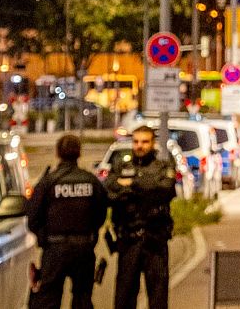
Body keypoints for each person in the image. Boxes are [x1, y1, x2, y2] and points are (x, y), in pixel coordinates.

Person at [27, 134, 109, 309]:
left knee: (48, 299)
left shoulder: (48, 182)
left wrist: (44, 239)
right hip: (83, 249)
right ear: (79, 153)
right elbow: (101, 213)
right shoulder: (91, 181)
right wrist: (90, 234)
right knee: (82, 298)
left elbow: (33, 217)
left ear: (58, 153)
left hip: (54, 249)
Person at [105, 125, 176, 309]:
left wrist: (131, 184)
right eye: (136, 141)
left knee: (158, 298)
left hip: (155, 241)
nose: (139, 146)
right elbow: (110, 191)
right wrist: (146, 188)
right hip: (128, 240)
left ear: (153, 143)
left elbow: (165, 189)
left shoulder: (163, 166)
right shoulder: (121, 165)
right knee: (124, 298)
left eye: (145, 142)